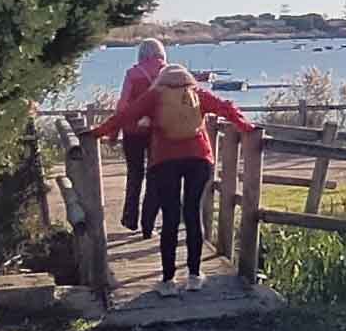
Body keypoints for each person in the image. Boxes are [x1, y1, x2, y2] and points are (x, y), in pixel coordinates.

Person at [89, 65, 257, 285]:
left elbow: (125, 115)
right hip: (199, 159)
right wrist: (247, 126)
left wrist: (98, 133)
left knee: (170, 217)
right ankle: (195, 276)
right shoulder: (197, 93)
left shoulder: (155, 95)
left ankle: (168, 280)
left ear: (162, 79)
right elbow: (226, 107)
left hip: (165, 159)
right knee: (193, 214)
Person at [111, 39, 168, 232]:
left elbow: (123, 105)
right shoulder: (168, 73)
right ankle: (149, 222)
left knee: (134, 174)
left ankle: (130, 218)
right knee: (156, 175)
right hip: (158, 131)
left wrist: (113, 132)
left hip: (132, 130)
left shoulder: (133, 74)